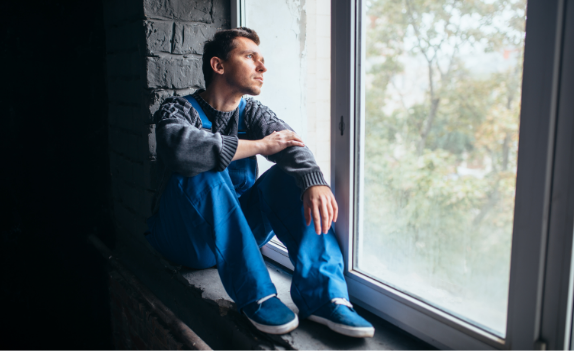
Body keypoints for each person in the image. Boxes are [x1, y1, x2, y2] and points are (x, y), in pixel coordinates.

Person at [146, 27, 374, 338]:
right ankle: (257, 295)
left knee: (290, 177)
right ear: (219, 65)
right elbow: (179, 149)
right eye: (250, 57)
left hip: (236, 236)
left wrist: (312, 181)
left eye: (263, 59)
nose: (262, 67)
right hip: (185, 240)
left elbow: (289, 141)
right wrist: (261, 146)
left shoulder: (251, 112)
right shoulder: (178, 109)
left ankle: (323, 297)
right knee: (202, 166)